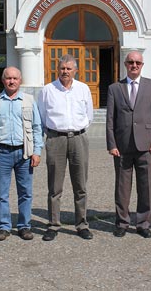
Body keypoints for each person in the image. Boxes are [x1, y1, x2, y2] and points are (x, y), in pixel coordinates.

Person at [0, 66, 43, 241]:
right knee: (2, 193)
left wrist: (37, 152)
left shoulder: (29, 101)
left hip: (24, 153)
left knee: (25, 192)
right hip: (2, 153)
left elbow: (37, 128)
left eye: (15, 78)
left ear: (20, 80)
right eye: (8, 78)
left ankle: (24, 226)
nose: (12, 81)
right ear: (3, 80)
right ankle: (3, 227)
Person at [106, 51, 151, 238]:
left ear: (142, 64)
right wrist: (111, 144)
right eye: (131, 62)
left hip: (146, 145)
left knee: (145, 186)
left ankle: (143, 223)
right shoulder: (115, 88)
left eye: (137, 62)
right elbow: (110, 120)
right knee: (122, 186)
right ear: (125, 64)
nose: (134, 65)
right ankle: (122, 222)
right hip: (122, 145)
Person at [38, 54, 94, 241]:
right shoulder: (47, 90)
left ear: (75, 70)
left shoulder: (83, 89)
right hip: (56, 139)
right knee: (55, 186)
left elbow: (89, 115)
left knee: (81, 185)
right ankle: (53, 224)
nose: (65, 72)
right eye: (62, 68)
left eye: (69, 68)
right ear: (58, 69)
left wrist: (78, 129)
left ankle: (82, 224)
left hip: (79, 138)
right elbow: (42, 117)